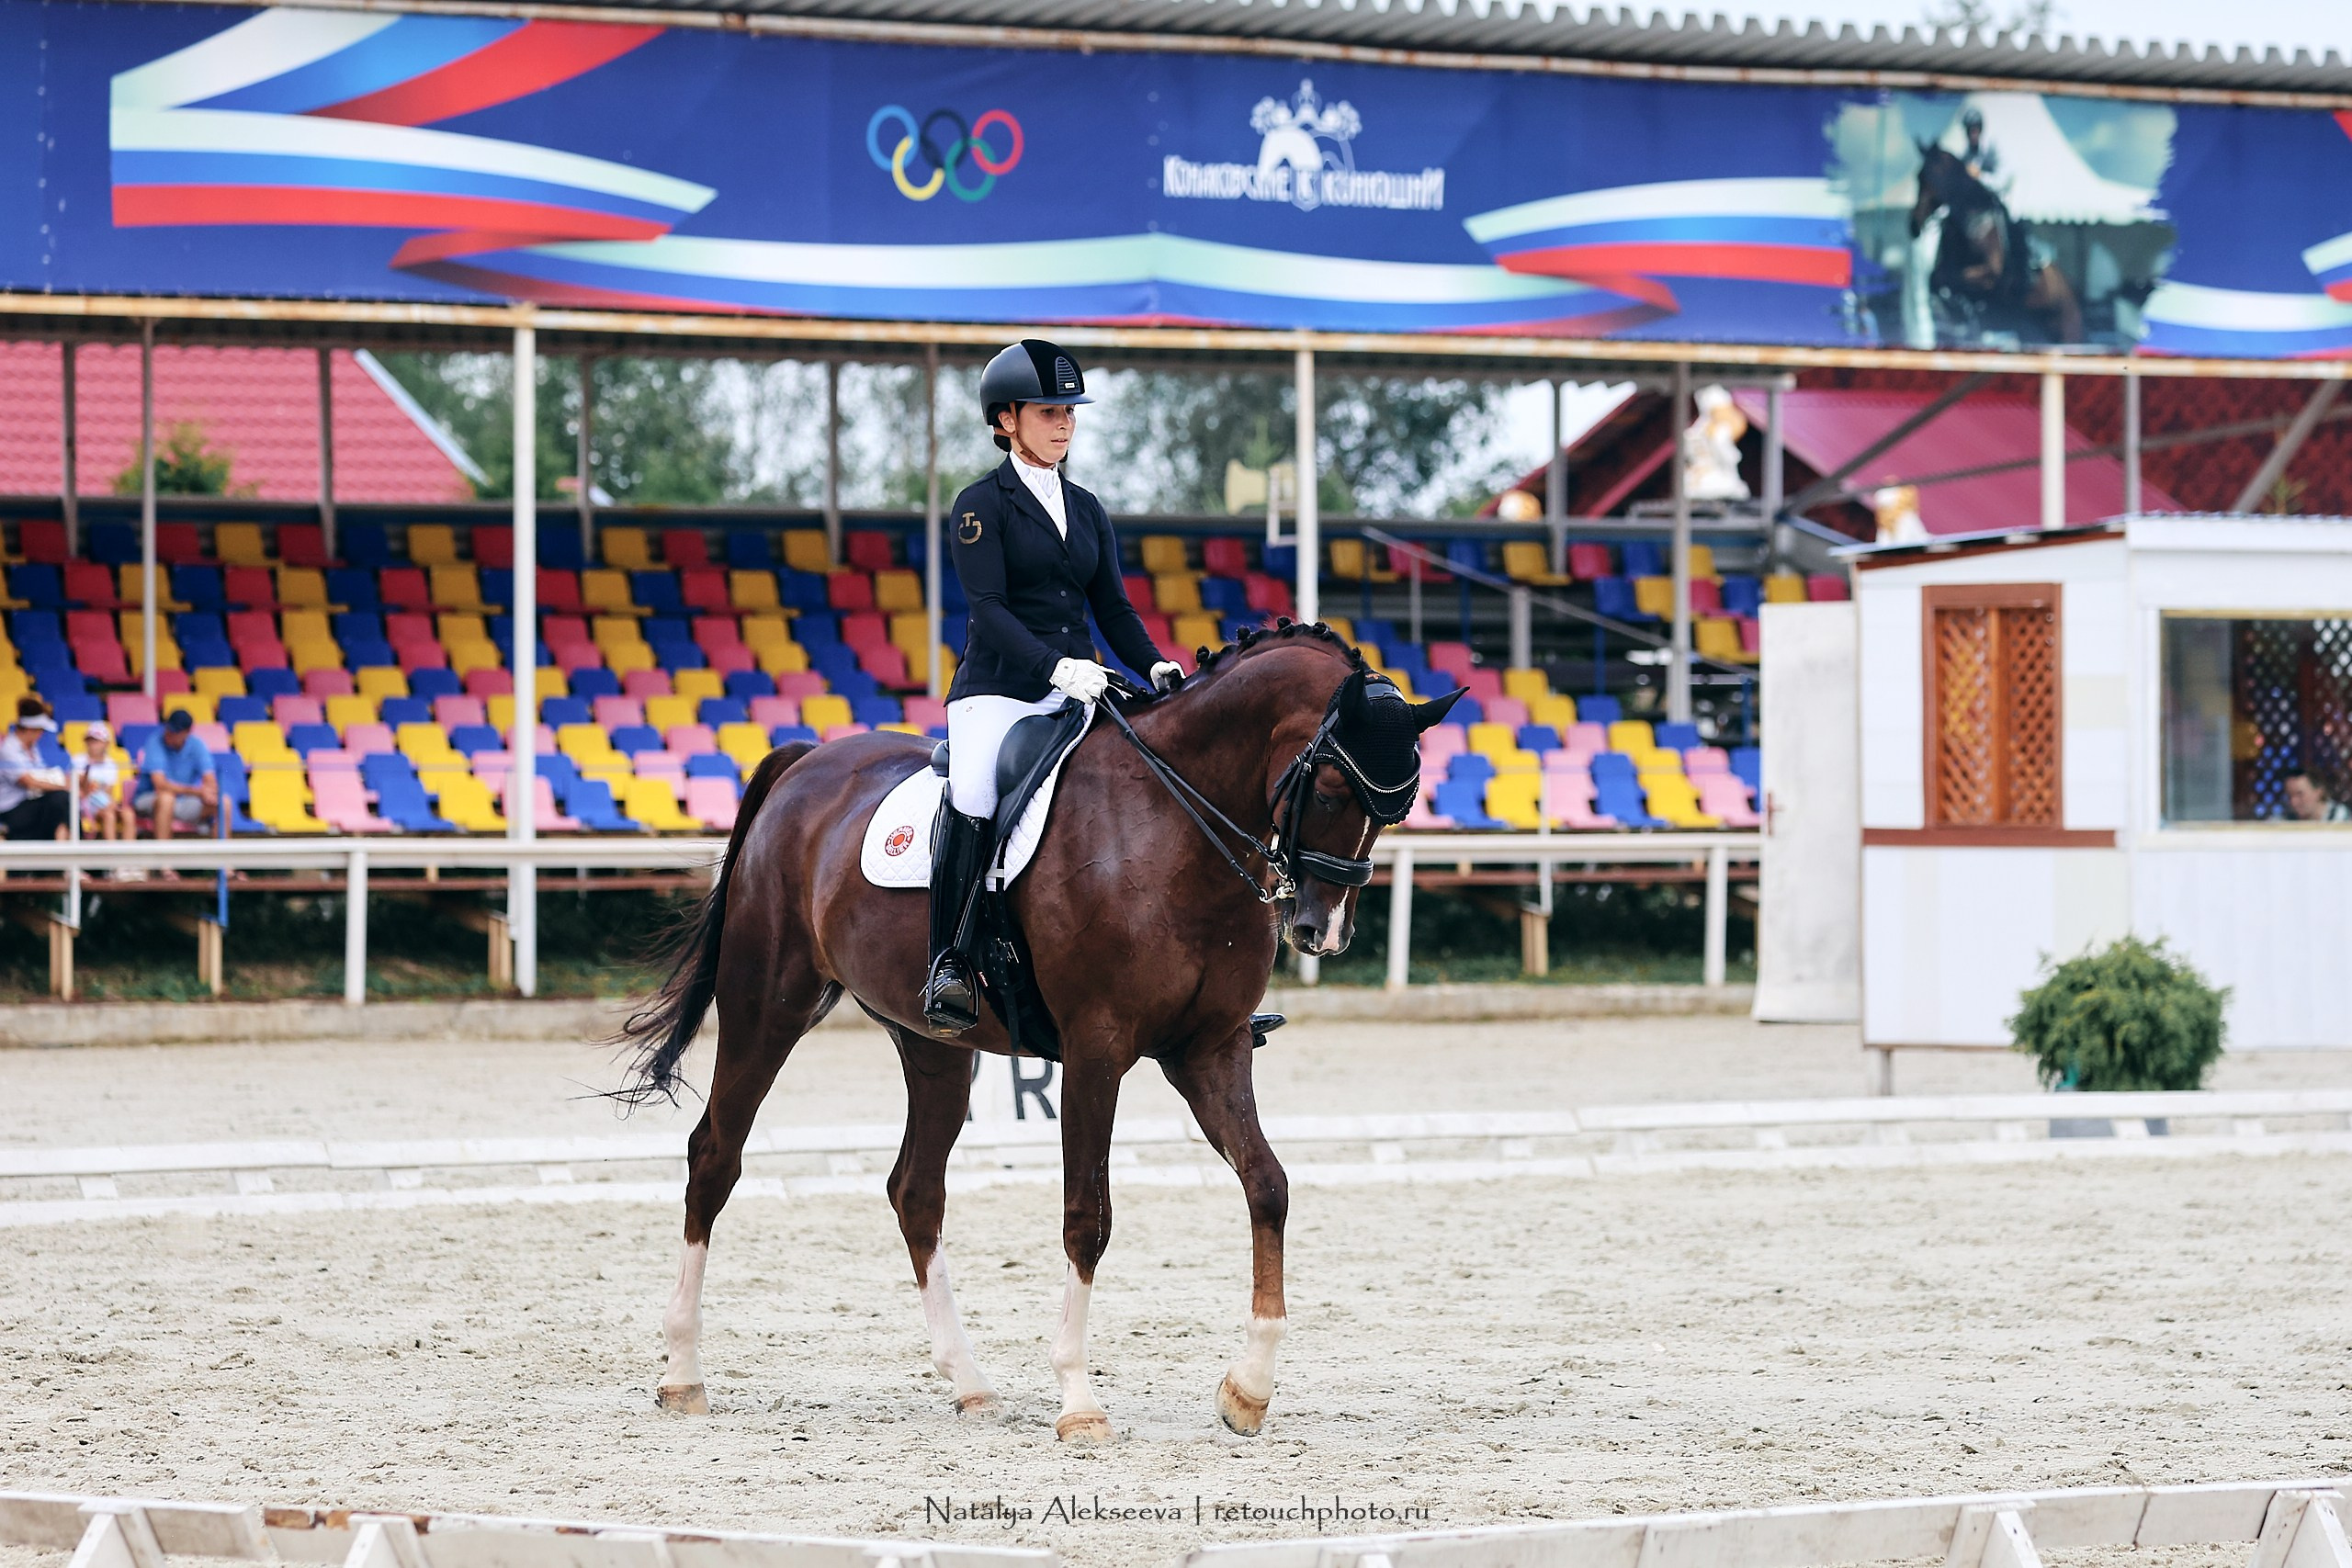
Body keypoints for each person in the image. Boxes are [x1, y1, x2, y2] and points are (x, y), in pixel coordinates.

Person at [921, 338, 1183, 1034]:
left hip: (1079, 687)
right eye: (1047, 411)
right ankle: (947, 960)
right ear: (1006, 419)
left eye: (1070, 411)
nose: (1064, 423)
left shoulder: (1088, 507)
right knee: (973, 789)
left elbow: (1114, 609)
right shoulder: (981, 504)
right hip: (998, 692)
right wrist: (1055, 668)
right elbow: (990, 610)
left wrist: (1152, 664)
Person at [137, 708, 218, 855]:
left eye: (175, 731)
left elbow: (210, 779)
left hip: (183, 802)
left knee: (223, 803)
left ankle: (224, 866)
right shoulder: (155, 741)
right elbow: (160, 785)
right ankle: (164, 863)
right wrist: (198, 791)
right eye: (169, 729)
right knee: (167, 799)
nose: (169, 734)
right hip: (149, 799)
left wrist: (209, 793)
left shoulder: (197, 745)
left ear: (186, 732)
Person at [0, 699, 71, 841]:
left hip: (29, 804)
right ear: (31, 729)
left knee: (62, 801)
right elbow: (29, 782)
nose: (42, 735)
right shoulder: (8, 749)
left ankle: (65, 844)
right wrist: (65, 787)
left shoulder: (32, 749)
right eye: (41, 731)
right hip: (11, 810)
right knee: (61, 798)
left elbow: (41, 774)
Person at [73, 720, 136, 842]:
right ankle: (112, 857)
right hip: (85, 805)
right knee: (109, 815)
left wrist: (110, 804)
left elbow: (108, 792)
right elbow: (83, 790)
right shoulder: (78, 760)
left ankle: (129, 857)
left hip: (103, 803)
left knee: (128, 814)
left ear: (106, 743)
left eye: (96, 741)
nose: (93, 744)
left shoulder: (110, 764)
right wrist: (87, 771)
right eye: (90, 740)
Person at [2283, 770, 2351, 823]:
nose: (2293, 802)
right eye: (2289, 796)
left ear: (2319, 792)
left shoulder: (2341, 818)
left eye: (2300, 794)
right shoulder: (2287, 819)